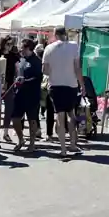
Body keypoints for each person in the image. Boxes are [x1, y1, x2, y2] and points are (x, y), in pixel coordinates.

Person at [41, 27, 85, 159]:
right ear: (65, 34)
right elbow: (77, 68)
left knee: (59, 116)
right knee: (71, 114)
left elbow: (45, 70)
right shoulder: (74, 47)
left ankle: (63, 149)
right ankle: (72, 143)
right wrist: (82, 84)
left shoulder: (49, 49)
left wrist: (55, 70)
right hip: (71, 85)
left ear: (55, 35)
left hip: (55, 85)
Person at [11, 39, 42, 151]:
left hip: (32, 94)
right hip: (19, 93)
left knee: (32, 119)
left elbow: (39, 77)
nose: (20, 50)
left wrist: (26, 80)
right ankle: (21, 139)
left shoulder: (37, 61)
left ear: (28, 48)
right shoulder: (21, 59)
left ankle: (32, 143)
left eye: (22, 48)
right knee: (15, 119)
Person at [0, 36, 20, 144]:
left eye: (11, 44)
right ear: (3, 44)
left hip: (10, 85)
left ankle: (5, 132)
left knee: (9, 109)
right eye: (8, 44)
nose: (10, 46)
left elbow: (17, 69)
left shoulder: (14, 56)